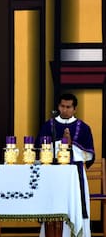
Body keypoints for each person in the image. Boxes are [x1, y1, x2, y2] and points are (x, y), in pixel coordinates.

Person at [37, 93, 95, 237]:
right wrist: (61, 145)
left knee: (75, 205)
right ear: (58, 107)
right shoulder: (48, 125)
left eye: (68, 107)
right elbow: (39, 150)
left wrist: (69, 146)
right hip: (53, 176)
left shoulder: (84, 128)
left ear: (75, 109)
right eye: (62, 106)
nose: (65, 110)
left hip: (75, 176)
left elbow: (89, 155)